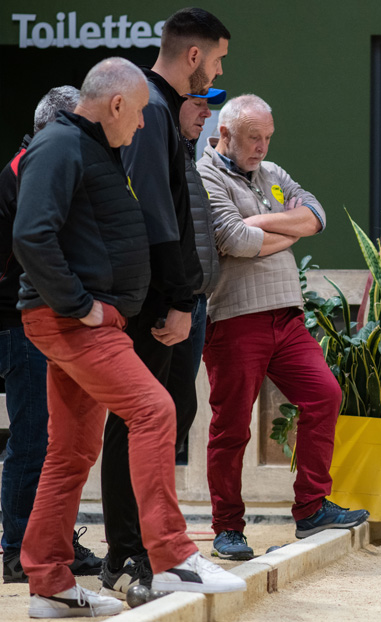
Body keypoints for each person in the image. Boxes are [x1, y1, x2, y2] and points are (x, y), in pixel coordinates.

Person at [13, 56, 245, 619]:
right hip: (73, 322)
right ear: (116, 103)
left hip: (86, 319)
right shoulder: (60, 146)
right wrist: (80, 305)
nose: (143, 124)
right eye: (140, 112)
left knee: (71, 453)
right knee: (155, 411)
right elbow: (30, 234)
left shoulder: (91, 147)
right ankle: (172, 554)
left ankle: (48, 583)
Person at [196, 94, 368, 560]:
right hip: (234, 318)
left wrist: (267, 224)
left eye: (268, 138)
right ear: (225, 134)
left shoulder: (271, 174)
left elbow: (317, 215)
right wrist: (287, 231)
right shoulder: (206, 172)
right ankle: (227, 527)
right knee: (231, 428)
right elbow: (232, 239)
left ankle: (311, 509)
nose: (263, 148)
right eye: (254, 139)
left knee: (325, 394)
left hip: (287, 316)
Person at [99, 7, 230, 597]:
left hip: (160, 294)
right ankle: (130, 554)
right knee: (139, 423)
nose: (219, 72)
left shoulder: (160, 110)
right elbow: (155, 218)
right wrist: (178, 298)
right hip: (151, 300)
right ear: (195, 55)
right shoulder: (151, 107)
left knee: (155, 421)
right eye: (219, 59)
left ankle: (143, 551)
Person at [0, 86, 105, 584]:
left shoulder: (37, 164)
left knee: (52, 441)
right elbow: (41, 246)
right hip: (21, 323)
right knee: (33, 440)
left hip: (42, 318)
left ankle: (47, 544)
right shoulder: (28, 169)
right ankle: (22, 550)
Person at [175, 87, 227, 464]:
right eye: (198, 104)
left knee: (181, 410)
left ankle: (151, 518)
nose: (206, 113)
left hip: (196, 302)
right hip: (173, 303)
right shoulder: (161, 153)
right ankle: (135, 522)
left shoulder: (187, 156)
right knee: (162, 413)